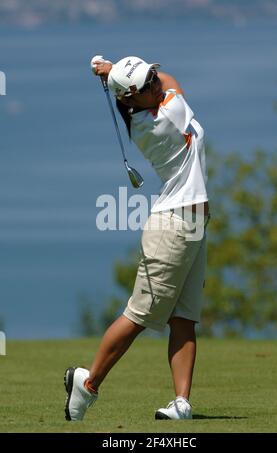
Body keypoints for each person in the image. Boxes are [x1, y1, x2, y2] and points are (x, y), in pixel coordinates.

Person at [64, 56, 210, 421]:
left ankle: (181, 404)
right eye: (148, 84)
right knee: (140, 314)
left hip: (192, 226)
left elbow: (152, 82)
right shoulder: (166, 115)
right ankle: (89, 383)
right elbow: (173, 78)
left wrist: (115, 73)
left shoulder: (141, 110)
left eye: (153, 77)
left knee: (184, 318)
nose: (157, 83)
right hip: (174, 228)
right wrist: (114, 70)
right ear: (131, 101)